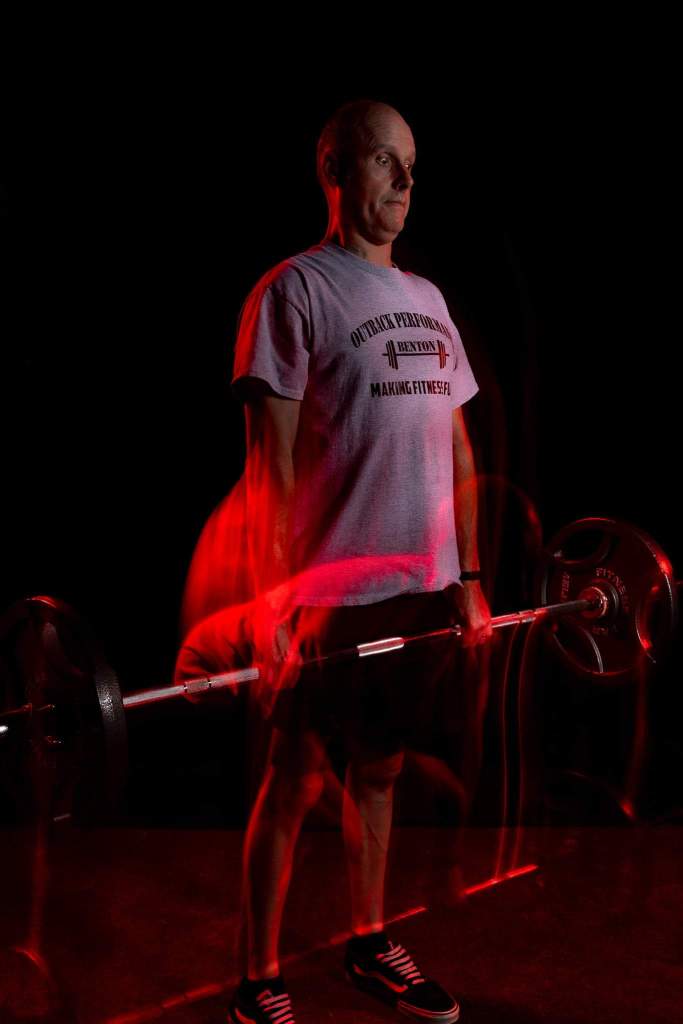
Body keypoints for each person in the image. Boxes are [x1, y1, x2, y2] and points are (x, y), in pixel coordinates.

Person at [225, 98, 492, 1024]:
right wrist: (271, 604)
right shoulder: (293, 291)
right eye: (385, 160)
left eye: (412, 163)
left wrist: (468, 580)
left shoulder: (428, 299)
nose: (407, 181)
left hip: (421, 588)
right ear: (334, 169)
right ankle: (258, 977)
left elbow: (458, 455)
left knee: (379, 770)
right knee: (294, 780)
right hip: (331, 591)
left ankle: (369, 941)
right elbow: (271, 469)